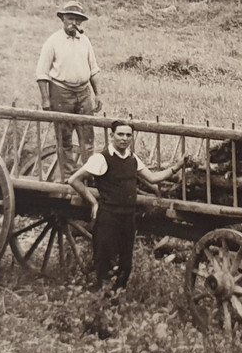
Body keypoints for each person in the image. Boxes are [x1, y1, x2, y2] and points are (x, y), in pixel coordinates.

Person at [67, 120, 182, 292]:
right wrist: (93, 202)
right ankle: (100, 297)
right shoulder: (101, 158)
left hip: (128, 216)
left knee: (125, 262)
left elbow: (152, 178)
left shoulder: (132, 158)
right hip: (108, 215)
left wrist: (177, 167)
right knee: (105, 258)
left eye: (128, 135)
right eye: (120, 134)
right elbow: (74, 180)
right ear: (112, 135)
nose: (124, 138)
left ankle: (116, 296)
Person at [35, 1, 103, 177]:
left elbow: (94, 69)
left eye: (78, 20)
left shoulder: (85, 41)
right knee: (64, 137)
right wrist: (45, 99)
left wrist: (98, 94)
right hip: (61, 92)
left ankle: (88, 175)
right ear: (63, 19)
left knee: (87, 136)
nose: (74, 23)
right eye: (71, 18)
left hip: (83, 92)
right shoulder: (53, 41)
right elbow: (42, 73)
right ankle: (69, 176)